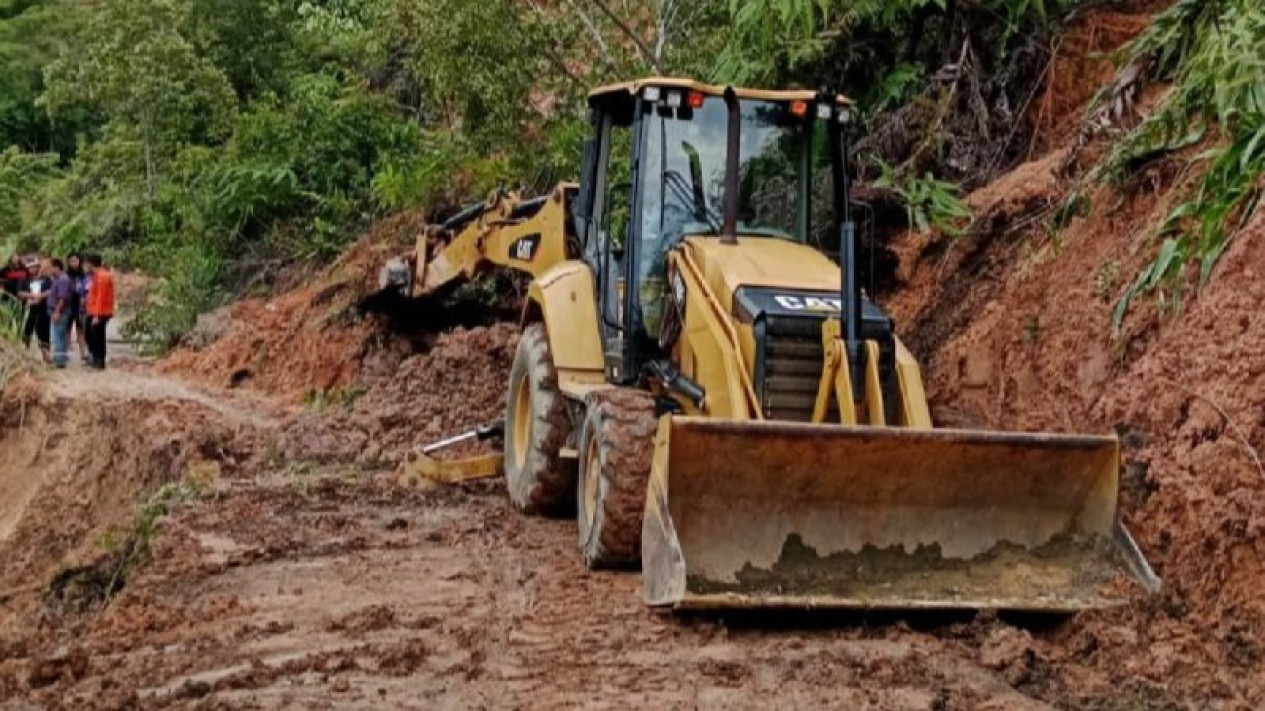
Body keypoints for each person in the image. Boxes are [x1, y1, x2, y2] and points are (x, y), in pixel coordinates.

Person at [84, 253, 115, 370]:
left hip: (101, 312)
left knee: (97, 336)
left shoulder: (102, 276)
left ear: (91, 264)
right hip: (93, 311)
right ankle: (95, 358)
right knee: (89, 335)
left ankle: (99, 360)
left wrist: (97, 315)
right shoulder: (96, 275)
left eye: (86, 263)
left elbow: (101, 297)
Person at [18, 260, 51, 361]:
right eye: (30, 267)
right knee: (27, 330)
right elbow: (20, 293)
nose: (32, 269)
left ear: (38, 267)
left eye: (34, 267)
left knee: (44, 332)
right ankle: (25, 354)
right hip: (29, 309)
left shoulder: (46, 279)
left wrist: (41, 296)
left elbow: (51, 290)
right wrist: (32, 296)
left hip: (43, 309)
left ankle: (46, 355)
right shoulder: (24, 280)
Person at [46, 258, 72, 369]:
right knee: (59, 335)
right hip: (57, 310)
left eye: (50, 267)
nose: (48, 270)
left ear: (56, 267)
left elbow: (62, 297)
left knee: (58, 336)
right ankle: (60, 358)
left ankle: (60, 361)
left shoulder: (62, 279)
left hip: (60, 311)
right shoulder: (57, 279)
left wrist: (57, 311)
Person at [66, 253, 90, 364]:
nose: (74, 263)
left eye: (76, 260)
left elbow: (88, 288)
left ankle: (83, 353)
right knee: (67, 329)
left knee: (81, 329)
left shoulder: (84, 275)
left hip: (80, 305)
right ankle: (64, 353)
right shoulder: (66, 275)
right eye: (72, 261)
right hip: (68, 303)